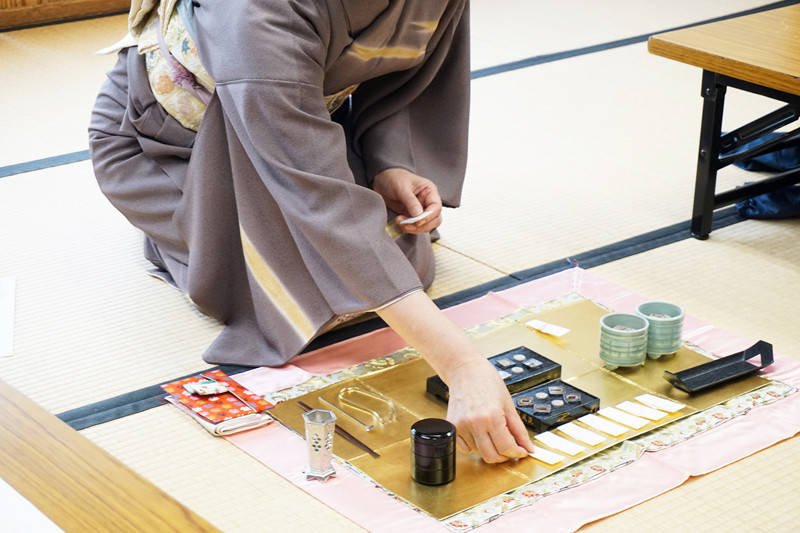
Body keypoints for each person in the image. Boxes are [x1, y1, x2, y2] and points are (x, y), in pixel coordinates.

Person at [88, 0, 534, 463]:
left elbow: (413, 75)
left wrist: (391, 162)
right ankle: (203, 223)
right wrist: (460, 363)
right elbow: (317, 195)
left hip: (300, 124)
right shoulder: (255, 8)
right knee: (288, 282)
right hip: (172, 143)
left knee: (389, 254)